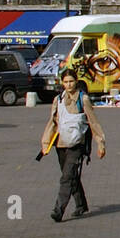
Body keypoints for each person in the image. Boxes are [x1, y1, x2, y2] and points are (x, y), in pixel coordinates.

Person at [40, 67, 106, 221]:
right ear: (62, 83)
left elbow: (93, 123)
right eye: (66, 82)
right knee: (71, 176)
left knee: (66, 177)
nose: (69, 85)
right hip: (61, 144)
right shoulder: (58, 99)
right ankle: (81, 205)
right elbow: (53, 122)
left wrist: (100, 143)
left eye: (71, 81)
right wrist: (46, 143)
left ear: (76, 81)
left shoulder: (83, 100)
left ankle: (58, 210)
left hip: (77, 144)